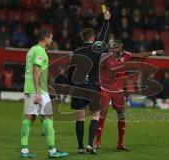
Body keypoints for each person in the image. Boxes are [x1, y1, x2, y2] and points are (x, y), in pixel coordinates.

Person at [95, 40, 164, 151]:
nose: (113, 49)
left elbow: (140, 55)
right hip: (105, 89)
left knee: (121, 116)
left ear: (121, 48)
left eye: (116, 47)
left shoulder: (126, 55)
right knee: (102, 114)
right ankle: (97, 142)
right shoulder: (106, 57)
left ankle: (120, 144)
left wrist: (155, 52)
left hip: (118, 91)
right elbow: (94, 62)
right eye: (112, 47)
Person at [20, 29, 69, 158]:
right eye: (51, 38)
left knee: (29, 118)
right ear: (45, 38)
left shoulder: (31, 50)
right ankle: (52, 151)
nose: (51, 41)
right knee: (48, 117)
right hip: (38, 91)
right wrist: (38, 92)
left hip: (29, 88)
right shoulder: (40, 51)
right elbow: (36, 71)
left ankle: (24, 150)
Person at [68, 11, 111, 154]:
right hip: (93, 88)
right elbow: (103, 36)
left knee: (80, 117)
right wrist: (106, 20)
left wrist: (72, 85)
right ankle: (90, 145)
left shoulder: (76, 52)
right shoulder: (96, 49)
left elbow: (70, 71)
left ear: (82, 38)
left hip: (79, 87)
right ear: (93, 39)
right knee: (95, 115)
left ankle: (80, 147)